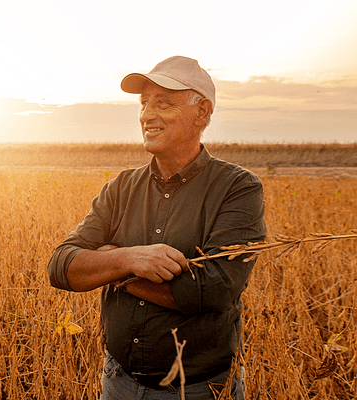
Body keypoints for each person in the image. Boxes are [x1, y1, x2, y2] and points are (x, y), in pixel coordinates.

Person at [47, 56, 266, 399]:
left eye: (163, 103)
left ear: (202, 112)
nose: (147, 115)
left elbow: (214, 290)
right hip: (117, 382)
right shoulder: (121, 188)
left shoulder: (237, 188)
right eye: (144, 103)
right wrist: (128, 259)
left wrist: (112, 270)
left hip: (198, 390)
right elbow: (61, 267)